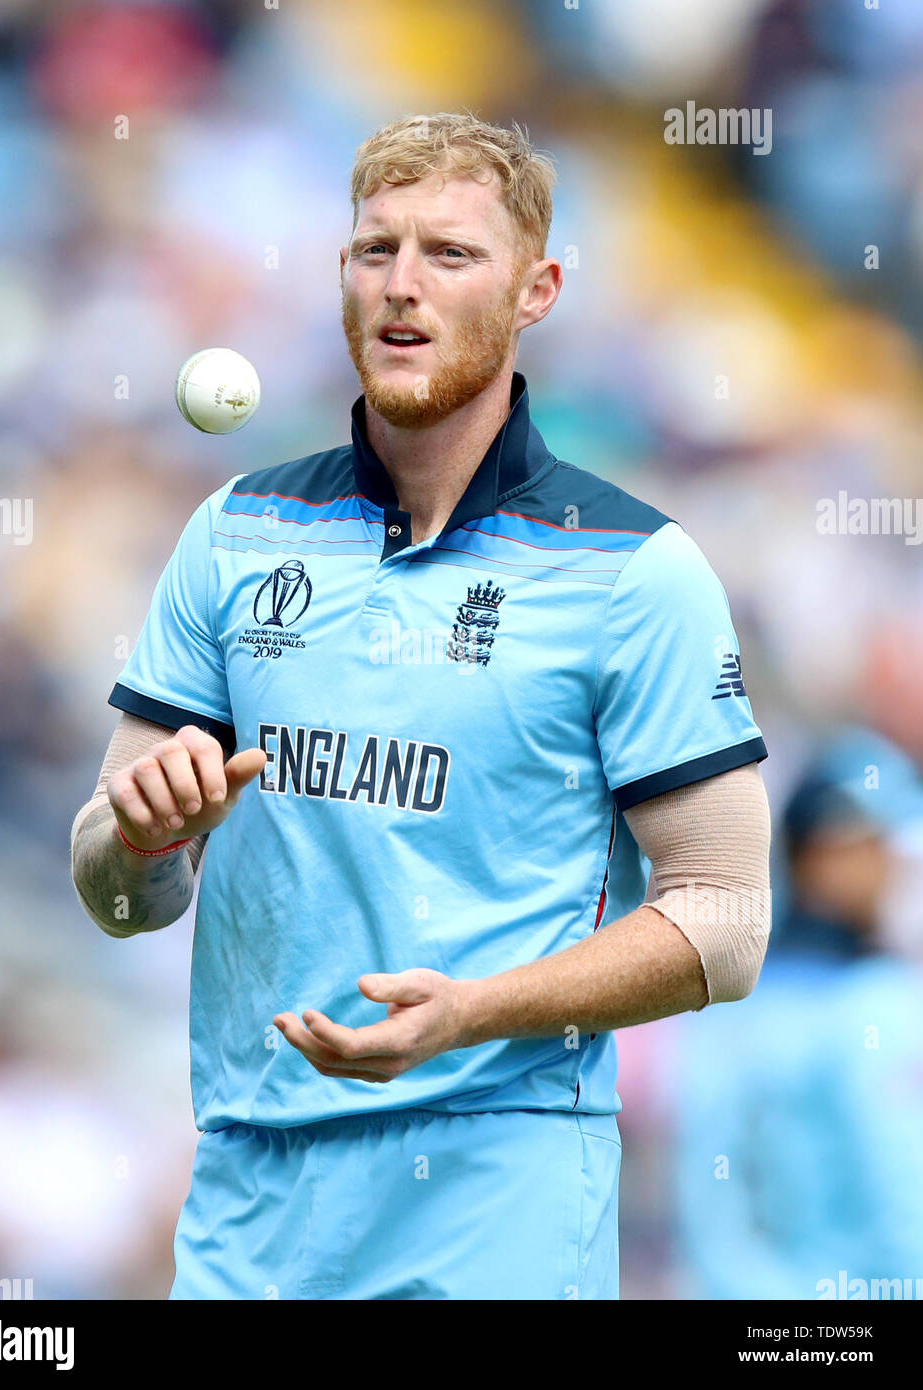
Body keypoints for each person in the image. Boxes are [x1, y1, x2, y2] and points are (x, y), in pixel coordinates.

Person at [71, 111, 772, 1301]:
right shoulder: (234, 532)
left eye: (449, 254)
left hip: (495, 1187)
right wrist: (142, 836)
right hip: (250, 1196)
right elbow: (116, 892)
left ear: (535, 289)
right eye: (373, 250)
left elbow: (723, 922)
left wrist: (472, 1012)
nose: (401, 287)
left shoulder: (636, 572)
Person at [670, 729, 923, 1299]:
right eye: (876, 845)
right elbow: (907, 1201)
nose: (895, 867)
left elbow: (708, 1208)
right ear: (821, 855)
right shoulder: (880, 1001)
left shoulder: (728, 999)